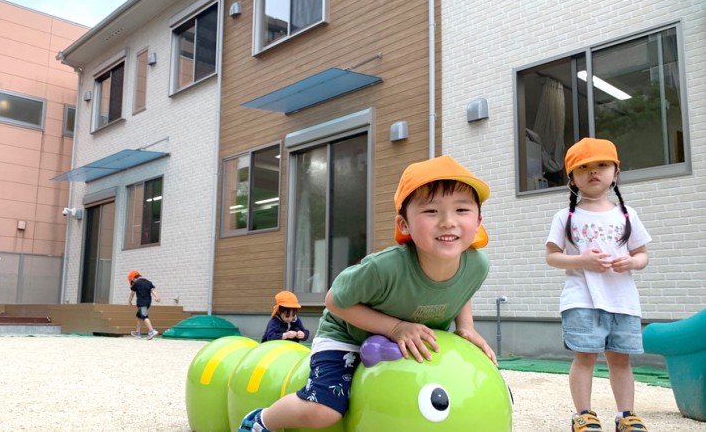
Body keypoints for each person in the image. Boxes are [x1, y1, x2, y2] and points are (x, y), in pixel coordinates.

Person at [240, 155, 496, 432]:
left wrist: (466, 326)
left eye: (461, 210)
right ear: (404, 224)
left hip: (408, 340)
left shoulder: (477, 264)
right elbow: (334, 301)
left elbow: (463, 287)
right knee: (323, 411)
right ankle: (260, 421)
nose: (448, 222)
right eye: (431, 211)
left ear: (478, 219)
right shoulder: (385, 267)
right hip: (347, 336)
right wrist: (396, 327)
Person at [545, 138, 651, 432]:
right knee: (585, 357)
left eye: (602, 165)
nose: (593, 172)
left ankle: (626, 415)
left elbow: (642, 255)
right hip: (582, 299)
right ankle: (583, 414)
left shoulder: (627, 215)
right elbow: (552, 257)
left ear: (615, 173)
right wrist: (582, 260)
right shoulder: (565, 216)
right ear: (572, 179)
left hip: (623, 300)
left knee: (620, 360)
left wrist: (631, 262)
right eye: (584, 167)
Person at [127, 270, 161, 340]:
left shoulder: (136, 283)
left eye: (132, 282)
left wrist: (129, 301)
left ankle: (152, 331)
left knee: (144, 316)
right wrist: (157, 296)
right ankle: (137, 332)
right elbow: (153, 290)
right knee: (139, 316)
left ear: (133, 279)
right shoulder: (148, 282)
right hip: (148, 302)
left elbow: (132, 293)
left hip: (142, 303)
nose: (133, 284)